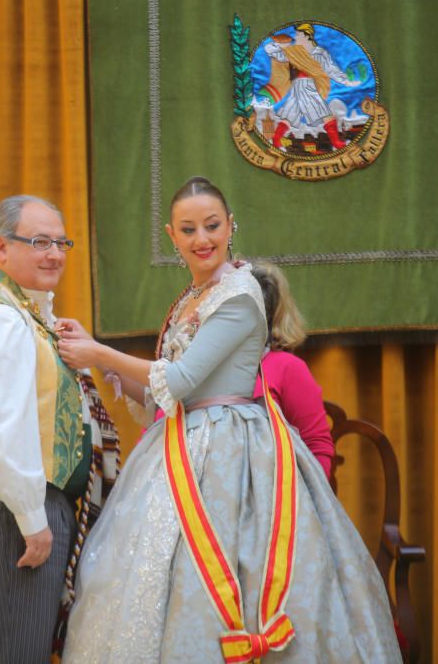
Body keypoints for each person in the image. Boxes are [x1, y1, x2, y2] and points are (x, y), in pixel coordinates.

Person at [57, 176, 401, 662]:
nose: (202, 239)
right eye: (189, 228)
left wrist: (101, 351)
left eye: (212, 225)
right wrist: (97, 358)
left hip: (234, 454)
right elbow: (168, 398)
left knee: (233, 575)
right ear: (170, 235)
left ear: (231, 225)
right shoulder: (189, 299)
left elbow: (177, 380)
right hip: (179, 443)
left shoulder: (239, 295)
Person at [0, 195, 119, 663]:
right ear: (1, 248)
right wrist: (32, 519)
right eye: (39, 242)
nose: (54, 254)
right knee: (16, 654)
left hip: (18, 504)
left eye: (61, 242)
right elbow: (0, 430)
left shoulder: (24, 315)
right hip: (11, 508)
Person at [251, 260, 335, 480]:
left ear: (266, 319)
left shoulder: (287, 368)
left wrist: (297, 507)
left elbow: (317, 448)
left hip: (277, 504)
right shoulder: (198, 368)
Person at [264, 23, 361, 151]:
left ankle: (276, 142)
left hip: (307, 86)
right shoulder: (295, 51)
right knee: (325, 114)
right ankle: (337, 143)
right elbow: (271, 51)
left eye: (298, 35)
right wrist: (278, 44)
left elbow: (331, 70)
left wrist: (347, 82)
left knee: (290, 115)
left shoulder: (319, 53)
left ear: (307, 35)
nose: (296, 37)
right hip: (303, 86)